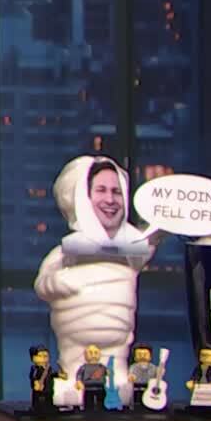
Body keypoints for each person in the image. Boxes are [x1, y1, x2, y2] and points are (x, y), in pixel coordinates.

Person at [34, 155, 162, 408]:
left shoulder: (131, 252)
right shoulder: (63, 254)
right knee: (73, 387)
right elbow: (42, 284)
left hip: (118, 348)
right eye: (101, 190)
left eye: (116, 191)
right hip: (74, 349)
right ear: (83, 196)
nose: (110, 199)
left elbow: (152, 239)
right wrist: (61, 282)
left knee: (120, 386)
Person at [74, 344, 110, 413]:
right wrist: (78, 382)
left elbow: (108, 373)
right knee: (88, 404)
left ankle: (101, 413)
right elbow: (79, 375)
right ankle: (88, 414)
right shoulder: (84, 367)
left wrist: (108, 372)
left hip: (100, 388)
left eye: (96, 353)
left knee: (101, 404)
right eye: (90, 353)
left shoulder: (101, 367)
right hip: (88, 389)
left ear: (99, 354)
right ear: (85, 355)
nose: (93, 355)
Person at [27, 345, 57, 414]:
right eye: (40, 356)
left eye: (45, 356)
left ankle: (49, 407)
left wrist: (59, 375)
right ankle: (37, 408)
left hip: (48, 389)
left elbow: (52, 374)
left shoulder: (49, 368)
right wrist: (35, 382)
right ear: (33, 358)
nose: (43, 358)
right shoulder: (35, 368)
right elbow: (33, 376)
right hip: (40, 390)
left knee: (49, 399)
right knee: (39, 399)